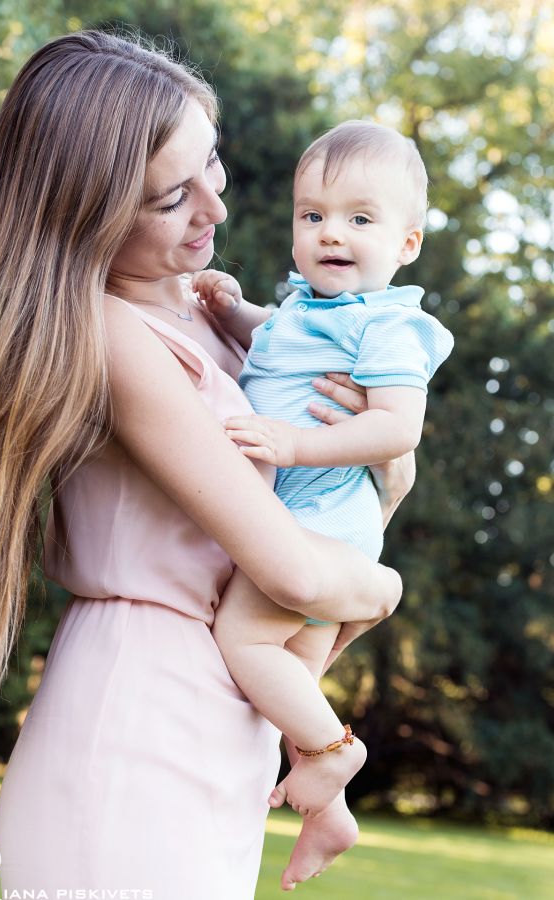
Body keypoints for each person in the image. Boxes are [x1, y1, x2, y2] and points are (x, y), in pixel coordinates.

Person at [0, 33, 412, 899]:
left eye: (214, 165)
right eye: (173, 198)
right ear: (84, 213)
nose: (217, 209)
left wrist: (377, 482)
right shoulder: (112, 332)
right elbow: (290, 569)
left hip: (225, 714)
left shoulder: (221, 318)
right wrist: (383, 589)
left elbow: (320, 532)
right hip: (139, 716)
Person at [193, 120, 454, 831]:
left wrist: (294, 445)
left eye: (358, 219)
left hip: (318, 525)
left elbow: (399, 427)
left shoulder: (389, 326)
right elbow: (273, 344)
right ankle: (328, 813)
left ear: (407, 245)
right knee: (288, 686)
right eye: (313, 215)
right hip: (314, 531)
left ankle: (334, 751)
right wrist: (231, 308)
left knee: (244, 642)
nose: (330, 233)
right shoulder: (304, 312)